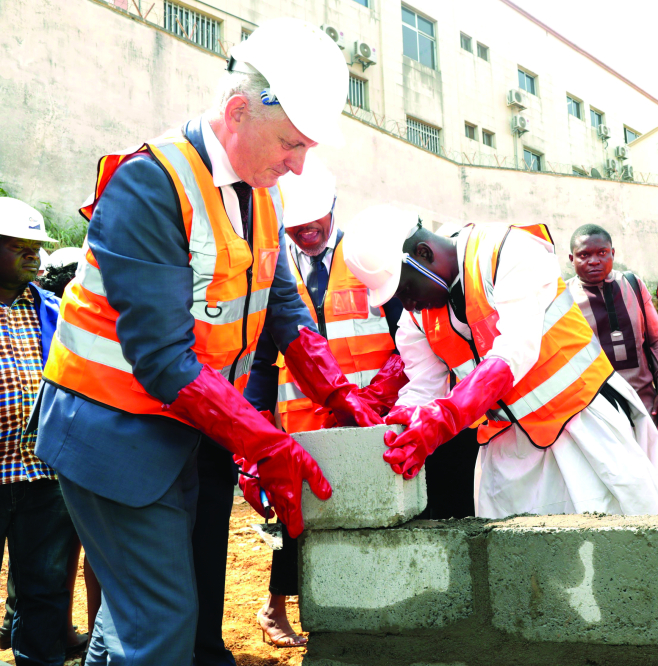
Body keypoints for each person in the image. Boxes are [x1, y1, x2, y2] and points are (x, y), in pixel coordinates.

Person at [34, 19, 384, 666]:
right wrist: (270, 447)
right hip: (110, 432)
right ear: (236, 111)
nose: (299, 163)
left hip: (178, 432)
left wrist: (340, 397)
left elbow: (283, 308)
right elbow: (161, 357)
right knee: (163, 625)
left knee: (140, 620)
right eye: (290, 143)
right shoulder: (150, 184)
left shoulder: (262, 192)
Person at [342, 207, 658, 518]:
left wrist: (445, 417)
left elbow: (514, 350)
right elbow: (424, 387)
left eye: (405, 289)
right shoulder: (416, 317)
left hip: (582, 426)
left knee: (614, 545)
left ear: (425, 254)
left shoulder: (506, 251)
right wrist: (402, 425)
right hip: (507, 449)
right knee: (517, 564)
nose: (407, 303)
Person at [242, 161, 406, 649]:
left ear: (335, 210)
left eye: (316, 224)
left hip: (376, 412)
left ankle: (371, 600)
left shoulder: (367, 256)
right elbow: (261, 363)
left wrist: (369, 398)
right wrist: (253, 435)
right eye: (297, 227)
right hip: (303, 419)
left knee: (374, 504)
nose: (308, 234)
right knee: (298, 514)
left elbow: (408, 338)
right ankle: (275, 607)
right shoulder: (274, 266)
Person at [0, 197, 76, 665]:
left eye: (37, 246)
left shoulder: (51, 310)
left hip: (42, 473)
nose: (35, 254)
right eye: (19, 245)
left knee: (45, 588)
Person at [565, 223, 658, 469]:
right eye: (584, 255)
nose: (594, 260)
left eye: (602, 253)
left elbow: (656, 340)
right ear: (572, 259)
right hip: (594, 411)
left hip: (644, 405)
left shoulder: (632, 284)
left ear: (612, 253)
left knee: (648, 479)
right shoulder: (564, 297)